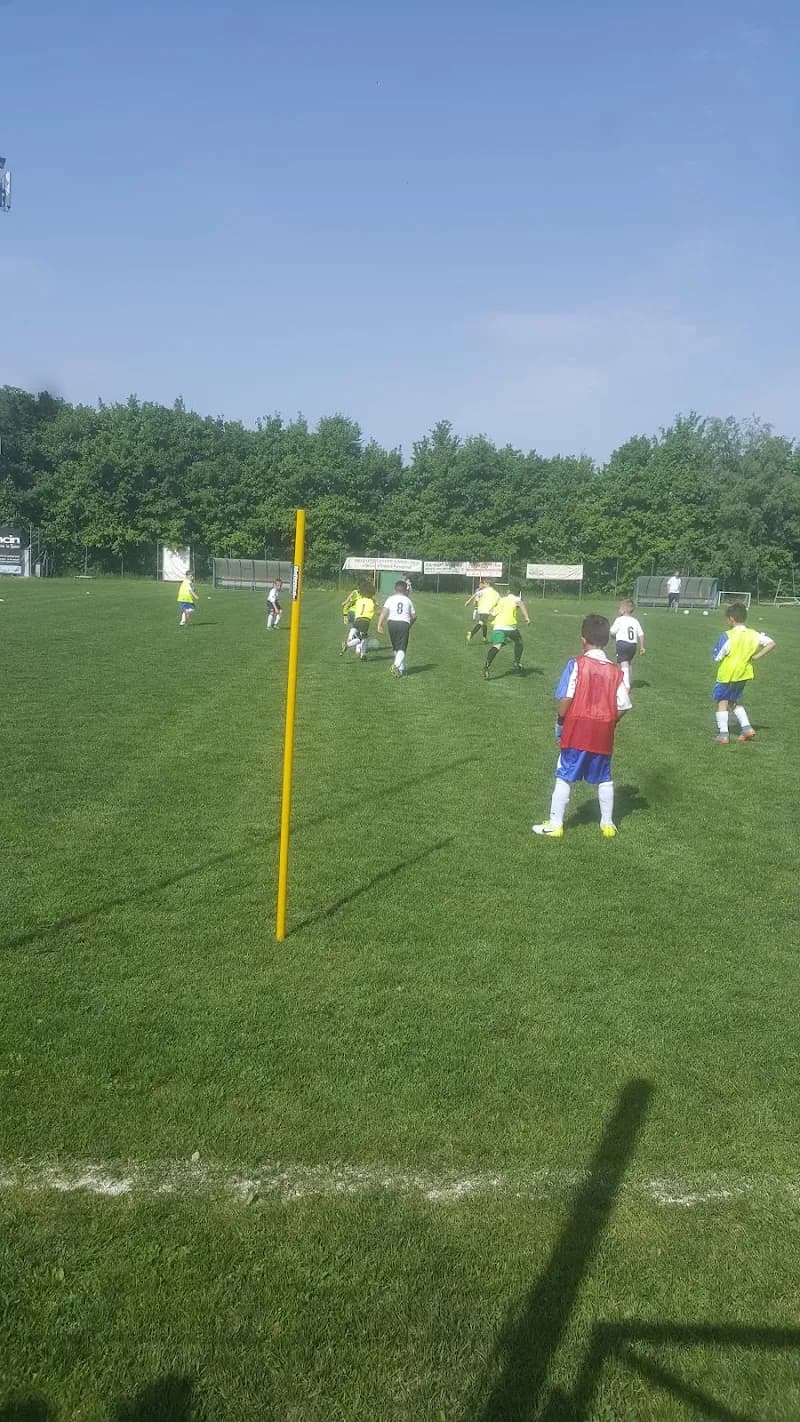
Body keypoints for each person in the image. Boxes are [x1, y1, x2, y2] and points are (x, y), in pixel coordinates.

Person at [532, 613, 632, 838]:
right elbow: (624, 705)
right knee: (604, 776)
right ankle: (607, 824)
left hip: (577, 727)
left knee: (565, 773)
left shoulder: (577, 664)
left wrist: (560, 722)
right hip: (603, 730)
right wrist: (610, 721)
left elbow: (566, 697)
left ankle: (555, 824)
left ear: (583, 639)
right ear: (607, 640)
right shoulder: (616, 671)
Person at [711, 603, 775, 744]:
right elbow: (771, 643)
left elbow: (717, 657)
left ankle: (723, 734)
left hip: (727, 673)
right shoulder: (753, 634)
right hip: (744, 673)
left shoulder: (728, 635)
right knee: (733, 701)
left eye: (727, 618)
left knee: (722, 702)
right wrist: (757, 656)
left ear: (732, 619)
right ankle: (747, 728)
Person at [484, 585, 531, 678]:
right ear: (519, 593)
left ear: (509, 591)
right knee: (519, 641)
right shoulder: (517, 599)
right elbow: (521, 605)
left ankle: (486, 666)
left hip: (498, 626)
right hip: (510, 627)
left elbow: (493, 612)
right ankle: (516, 662)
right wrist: (527, 618)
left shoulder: (502, 600)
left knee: (497, 646)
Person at [377, 580, 417, 676]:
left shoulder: (390, 599)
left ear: (395, 589)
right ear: (405, 590)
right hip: (404, 623)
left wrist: (379, 624)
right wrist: (409, 625)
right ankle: (395, 665)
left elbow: (384, 612)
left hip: (392, 623)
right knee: (402, 648)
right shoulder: (408, 600)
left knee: (396, 647)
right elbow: (414, 616)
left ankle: (401, 669)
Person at [609, 599, 646, 690]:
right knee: (628, 661)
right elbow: (641, 634)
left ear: (624, 610)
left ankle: (626, 685)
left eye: (620, 608)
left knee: (624, 663)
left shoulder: (619, 620)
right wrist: (642, 647)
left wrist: (613, 636)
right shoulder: (635, 621)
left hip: (622, 644)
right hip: (633, 645)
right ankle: (629, 680)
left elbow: (612, 631)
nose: (618, 610)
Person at [464, 578, 500, 643]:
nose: (483, 585)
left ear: (488, 584)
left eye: (484, 583)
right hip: (487, 610)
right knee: (481, 623)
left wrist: (468, 601)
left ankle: (484, 638)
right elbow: (500, 602)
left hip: (480, 609)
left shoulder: (484, 591)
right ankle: (471, 633)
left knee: (484, 624)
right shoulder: (496, 593)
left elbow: (476, 594)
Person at [346, 585, 376, 659]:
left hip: (357, 619)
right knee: (363, 638)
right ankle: (350, 646)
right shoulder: (371, 601)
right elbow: (372, 610)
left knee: (358, 632)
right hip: (365, 621)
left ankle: (351, 635)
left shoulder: (359, 600)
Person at [340, 586, 360, 653]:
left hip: (350, 612)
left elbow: (348, 603)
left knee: (353, 628)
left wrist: (345, 602)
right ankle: (356, 647)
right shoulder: (363, 595)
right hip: (357, 614)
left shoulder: (355, 592)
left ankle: (350, 640)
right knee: (358, 630)